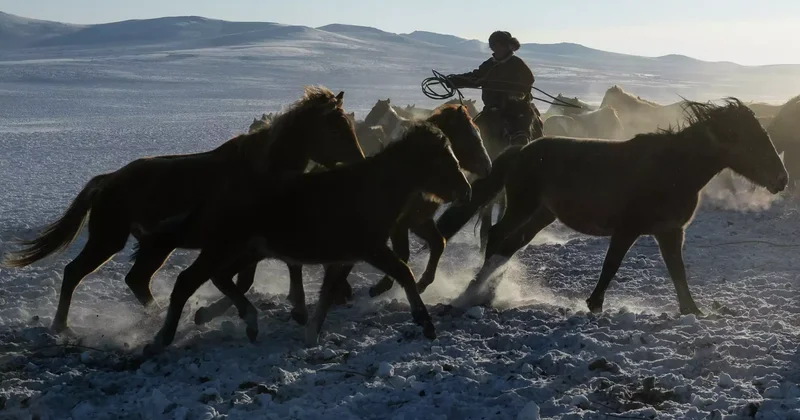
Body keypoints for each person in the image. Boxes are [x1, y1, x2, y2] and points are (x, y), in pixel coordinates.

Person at [446, 31, 540, 148]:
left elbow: (528, 81)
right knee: (474, 133)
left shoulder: (517, 64)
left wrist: (510, 91)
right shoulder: (488, 65)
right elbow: (475, 77)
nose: (498, 48)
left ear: (508, 46)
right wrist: (454, 81)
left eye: (501, 45)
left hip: (516, 108)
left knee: (533, 126)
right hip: (492, 108)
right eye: (495, 45)